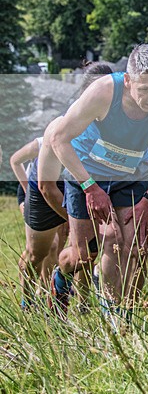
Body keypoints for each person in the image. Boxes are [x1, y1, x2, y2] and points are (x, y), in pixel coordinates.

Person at [49, 45, 148, 322]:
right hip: (86, 172)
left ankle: (116, 317)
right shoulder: (103, 92)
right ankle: (61, 277)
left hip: (131, 173)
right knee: (83, 256)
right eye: (145, 88)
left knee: (127, 245)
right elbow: (59, 140)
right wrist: (90, 186)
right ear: (127, 80)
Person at [16, 62, 113, 310]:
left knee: (83, 249)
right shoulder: (59, 128)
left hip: (78, 185)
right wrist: (70, 219)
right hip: (45, 188)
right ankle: (28, 300)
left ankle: (82, 304)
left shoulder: (110, 127)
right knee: (38, 253)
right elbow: (47, 187)